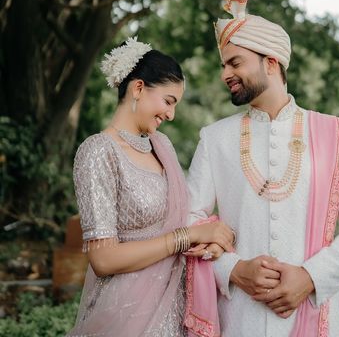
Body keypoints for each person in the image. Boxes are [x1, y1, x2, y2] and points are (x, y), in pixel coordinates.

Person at [188, 0, 339, 337]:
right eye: (223, 65)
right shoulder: (214, 138)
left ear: (271, 63)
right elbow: (189, 221)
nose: (224, 75)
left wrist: (310, 277)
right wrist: (232, 269)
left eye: (234, 63)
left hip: (314, 312)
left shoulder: (334, 133)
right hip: (238, 318)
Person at [67, 37, 233, 337]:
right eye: (168, 101)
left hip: (176, 308)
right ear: (139, 88)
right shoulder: (98, 152)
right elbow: (104, 260)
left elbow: (182, 214)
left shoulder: (162, 147)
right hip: (125, 316)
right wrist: (187, 236)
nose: (171, 114)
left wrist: (208, 237)